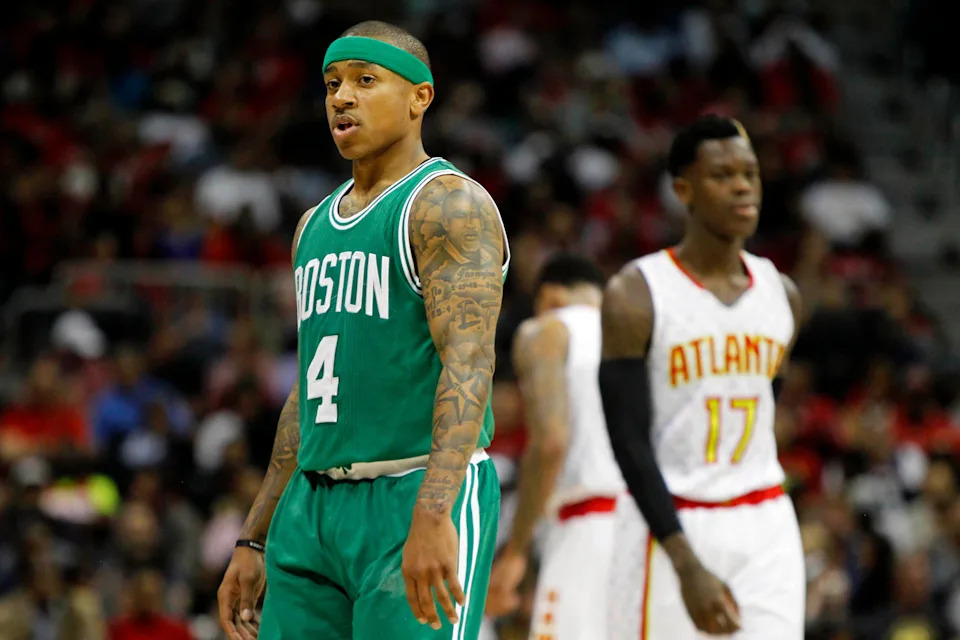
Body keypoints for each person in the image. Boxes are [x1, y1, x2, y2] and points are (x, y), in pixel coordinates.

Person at [216, 20, 509, 640]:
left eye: (364, 81)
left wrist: (435, 510)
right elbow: (308, 391)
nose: (341, 98)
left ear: (419, 97)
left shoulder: (446, 206)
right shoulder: (312, 227)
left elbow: (470, 361)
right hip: (313, 509)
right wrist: (255, 533)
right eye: (331, 85)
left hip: (412, 492)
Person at [598, 115, 804, 639]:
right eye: (722, 175)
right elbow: (628, 440)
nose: (741, 186)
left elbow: (767, 406)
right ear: (683, 190)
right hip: (672, 524)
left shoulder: (782, 294)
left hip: (765, 520)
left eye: (750, 174)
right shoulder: (636, 293)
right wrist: (685, 561)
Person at [485, 253, 625, 639]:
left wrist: (515, 552)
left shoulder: (547, 330)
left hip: (589, 527)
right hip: (656, 529)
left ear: (548, 297)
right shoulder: (640, 333)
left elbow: (550, 443)